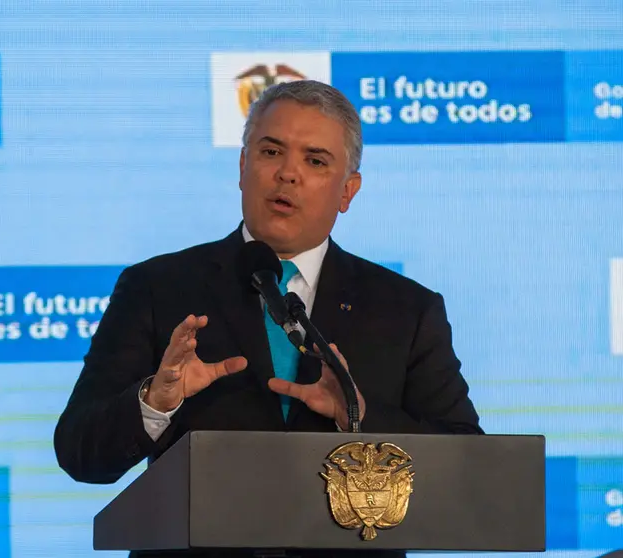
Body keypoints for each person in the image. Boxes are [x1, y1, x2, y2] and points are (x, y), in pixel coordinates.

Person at [54, 79, 483, 557]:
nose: (288, 175)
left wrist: (358, 417)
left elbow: (468, 466)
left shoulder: (406, 309)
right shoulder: (158, 288)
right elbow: (79, 452)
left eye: (315, 161)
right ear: (243, 166)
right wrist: (156, 401)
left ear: (348, 190)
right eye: (271, 152)